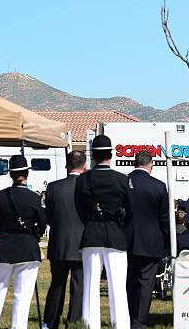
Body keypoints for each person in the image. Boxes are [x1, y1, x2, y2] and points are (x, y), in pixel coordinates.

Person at [0, 155, 47, 329]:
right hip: (28, 248)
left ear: (10, 175)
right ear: (27, 174)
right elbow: (41, 223)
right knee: (22, 296)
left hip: (5, 246)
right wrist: (34, 236)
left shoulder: (0, 197)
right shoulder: (34, 197)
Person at [75, 135, 132, 329]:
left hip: (91, 233)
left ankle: (90, 325)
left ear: (93, 156)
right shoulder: (122, 179)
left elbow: (79, 208)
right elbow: (130, 210)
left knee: (90, 286)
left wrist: (92, 221)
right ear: (111, 154)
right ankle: (121, 325)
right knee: (118, 287)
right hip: (115, 234)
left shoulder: (83, 180)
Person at [125, 151, 170, 329]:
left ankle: (128, 316)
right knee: (146, 283)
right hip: (151, 241)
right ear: (150, 165)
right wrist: (167, 240)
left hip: (127, 240)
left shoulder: (124, 182)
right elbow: (164, 218)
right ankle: (139, 320)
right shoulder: (158, 186)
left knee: (129, 281)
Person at [43, 151, 86, 329]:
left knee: (57, 285)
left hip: (59, 242)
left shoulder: (53, 187)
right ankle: (73, 321)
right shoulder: (88, 187)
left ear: (66, 165)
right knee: (79, 287)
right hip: (82, 243)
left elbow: (49, 216)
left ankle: (51, 321)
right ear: (84, 166)